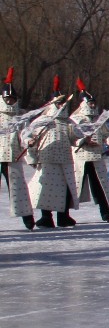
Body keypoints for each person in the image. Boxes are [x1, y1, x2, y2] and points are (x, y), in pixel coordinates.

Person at [24, 95, 78, 228]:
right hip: (47, 158)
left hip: (65, 159)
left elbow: (75, 138)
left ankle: (63, 216)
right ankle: (46, 217)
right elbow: (28, 136)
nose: (62, 106)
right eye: (59, 104)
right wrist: (30, 148)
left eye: (63, 104)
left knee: (65, 189)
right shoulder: (42, 120)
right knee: (47, 190)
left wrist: (84, 140)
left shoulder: (69, 122)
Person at [70, 90, 109, 221]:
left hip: (96, 158)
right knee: (73, 187)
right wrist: (82, 141)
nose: (93, 106)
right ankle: (64, 215)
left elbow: (106, 137)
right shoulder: (75, 120)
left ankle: (105, 212)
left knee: (99, 187)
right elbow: (71, 139)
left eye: (94, 103)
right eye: (90, 103)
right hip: (80, 158)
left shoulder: (99, 120)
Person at [0, 72, 36, 229]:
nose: (9, 101)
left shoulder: (20, 117)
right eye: (7, 99)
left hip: (13, 157)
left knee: (19, 189)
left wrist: (29, 141)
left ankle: (28, 220)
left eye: (12, 99)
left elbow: (25, 133)